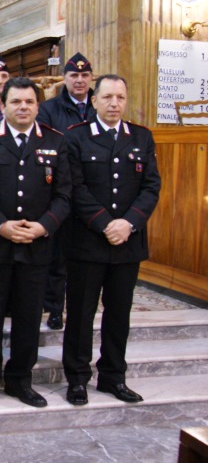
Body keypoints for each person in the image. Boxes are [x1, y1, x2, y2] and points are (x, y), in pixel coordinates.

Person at [0, 76, 71, 410]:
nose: (23, 107)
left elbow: (64, 195)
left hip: (36, 247)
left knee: (28, 318)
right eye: (16, 102)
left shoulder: (56, 142)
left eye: (29, 102)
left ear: (38, 106)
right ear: (3, 106)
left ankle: (19, 381)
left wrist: (42, 227)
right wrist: (0, 225)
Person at [61, 75, 161, 406]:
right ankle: (76, 379)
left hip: (127, 243)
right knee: (80, 314)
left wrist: (129, 223)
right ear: (94, 100)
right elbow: (75, 188)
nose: (114, 103)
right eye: (107, 97)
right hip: (88, 241)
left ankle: (113, 376)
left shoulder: (141, 137)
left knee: (119, 314)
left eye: (120, 97)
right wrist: (106, 223)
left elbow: (151, 186)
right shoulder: (76, 138)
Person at [37, 52, 96, 330]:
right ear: (66, 79)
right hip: (60, 188)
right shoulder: (50, 109)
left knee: (82, 257)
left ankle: (80, 306)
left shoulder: (99, 105)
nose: (80, 80)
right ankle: (54, 308)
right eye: (74, 75)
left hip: (90, 191)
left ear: (91, 78)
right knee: (57, 255)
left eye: (85, 75)